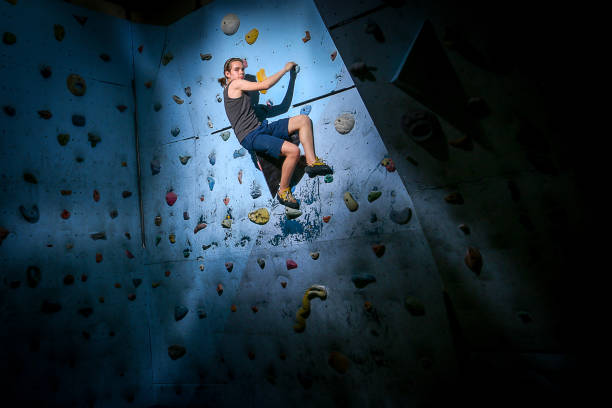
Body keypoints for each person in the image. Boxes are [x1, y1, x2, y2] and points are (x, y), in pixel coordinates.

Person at [220, 57, 332, 209]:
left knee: (303, 120)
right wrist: (285, 70)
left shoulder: (250, 106)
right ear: (227, 74)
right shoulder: (233, 84)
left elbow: (283, 108)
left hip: (261, 128)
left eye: (242, 69)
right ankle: (284, 191)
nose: (241, 72)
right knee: (294, 151)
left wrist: (293, 78)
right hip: (250, 136)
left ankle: (312, 163)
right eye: (236, 69)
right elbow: (265, 85)